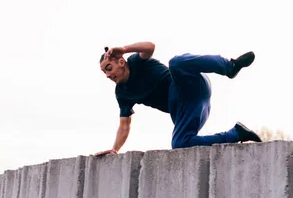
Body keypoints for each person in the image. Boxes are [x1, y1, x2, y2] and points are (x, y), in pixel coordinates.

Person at [95, 41, 262, 156]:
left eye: (109, 68)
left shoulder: (136, 62)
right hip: (188, 110)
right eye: (104, 72)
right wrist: (114, 150)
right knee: (179, 143)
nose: (108, 75)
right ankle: (236, 134)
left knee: (176, 63)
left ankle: (230, 67)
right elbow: (124, 126)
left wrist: (124, 48)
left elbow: (150, 47)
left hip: (190, 85)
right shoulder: (122, 93)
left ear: (121, 62)